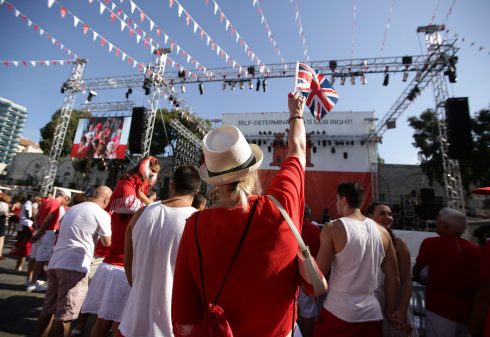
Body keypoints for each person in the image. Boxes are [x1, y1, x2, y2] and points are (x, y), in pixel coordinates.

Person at [172, 92, 307, 337]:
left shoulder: (194, 226)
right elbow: (298, 150)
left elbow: (184, 313)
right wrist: (296, 113)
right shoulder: (281, 205)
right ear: (252, 171)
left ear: (213, 181)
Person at [81, 156, 161, 337]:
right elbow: (144, 206)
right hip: (122, 273)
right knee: (120, 325)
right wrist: (147, 199)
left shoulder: (119, 211)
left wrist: (142, 197)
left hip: (109, 269)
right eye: (153, 173)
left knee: (102, 322)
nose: (153, 177)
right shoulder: (139, 211)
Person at [119, 165, 201, 337]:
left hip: (132, 320)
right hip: (171, 326)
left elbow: (127, 263)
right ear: (197, 189)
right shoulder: (198, 223)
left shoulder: (141, 213)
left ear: (172, 184)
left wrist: (142, 289)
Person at [314, 182, 401, 337]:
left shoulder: (333, 228)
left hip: (339, 312)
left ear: (344, 201)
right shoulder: (383, 232)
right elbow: (394, 278)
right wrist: (390, 311)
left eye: (337, 200)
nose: (336, 204)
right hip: (372, 314)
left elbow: (318, 274)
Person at [37, 186, 112, 337]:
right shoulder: (101, 214)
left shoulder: (73, 209)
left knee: (48, 309)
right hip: (75, 266)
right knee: (65, 316)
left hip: (55, 262)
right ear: (106, 199)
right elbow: (107, 242)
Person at [413, 207, 481, 337]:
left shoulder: (431, 244)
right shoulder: (475, 249)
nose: (436, 224)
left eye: (438, 222)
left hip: (439, 308)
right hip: (467, 310)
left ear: (444, 226)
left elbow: (418, 271)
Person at [368, 202, 417, 337]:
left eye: (390, 214)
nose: (388, 217)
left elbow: (407, 281)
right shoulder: (363, 241)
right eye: (382, 213)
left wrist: (401, 310)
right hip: (369, 305)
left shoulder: (399, 244)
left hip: (394, 304)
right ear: (370, 216)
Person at [27, 190, 71, 292]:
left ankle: (29, 280)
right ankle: (33, 283)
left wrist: (37, 230)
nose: (66, 203)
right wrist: (40, 232)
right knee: (40, 260)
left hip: (40, 231)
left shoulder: (47, 201)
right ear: (65, 198)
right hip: (47, 232)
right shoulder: (55, 204)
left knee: (33, 257)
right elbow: (48, 219)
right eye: (67, 201)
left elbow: (37, 216)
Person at [297, 205, 322, 337]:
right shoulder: (313, 229)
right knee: (308, 313)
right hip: (306, 277)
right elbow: (319, 256)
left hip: (288, 278)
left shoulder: (286, 227)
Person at [0, 194, 10, 260]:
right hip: (1, 221)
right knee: (1, 239)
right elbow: (5, 213)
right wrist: (9, 214)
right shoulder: (5, 204)